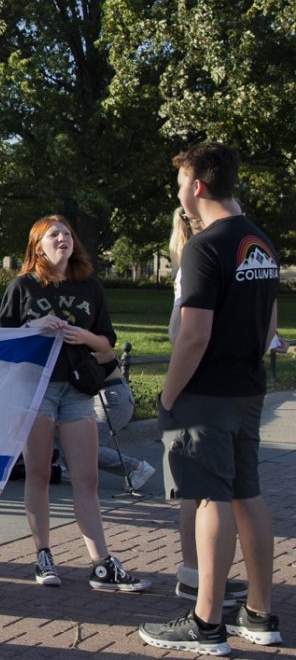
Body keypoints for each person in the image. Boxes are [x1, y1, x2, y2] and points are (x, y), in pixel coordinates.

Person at [139, 143, 281, 654]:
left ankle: (206, 623)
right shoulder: (259, 241)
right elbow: (269, 326)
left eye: (180, 182)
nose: (178, 191)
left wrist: (169, 395)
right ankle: (261, 614)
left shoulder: (206, 246)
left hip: (205, 392)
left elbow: (194, 334)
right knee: (248, 494)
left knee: (210, 498)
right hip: (247, 389)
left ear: (197, 186)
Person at [0, 215, 148, 592]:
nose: (63, 239)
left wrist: (84, 336)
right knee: (39, 474)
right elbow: (3, 342)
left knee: (87, 478)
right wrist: (36, 328)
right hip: (38, 390)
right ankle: (43, 556)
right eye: (54, 234)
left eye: (66, 233)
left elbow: (107, 344)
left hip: (79, 391)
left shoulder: (90, 288)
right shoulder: (23, 287)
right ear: (38, 246)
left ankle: (101, 562)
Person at [167, 207, 247, 608]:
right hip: (200, 386)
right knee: (200, 490)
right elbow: (184, 333)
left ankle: (203, 575)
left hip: (211, 385)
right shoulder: (203, 254)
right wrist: (170, 394)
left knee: (205, 490)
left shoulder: (208, 253)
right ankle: (195, 576)